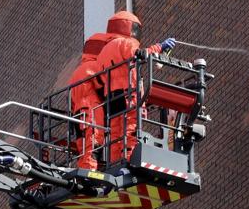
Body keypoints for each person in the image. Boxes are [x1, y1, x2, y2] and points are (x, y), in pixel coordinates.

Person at [95, 11, 176, 164]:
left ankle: (114, 161)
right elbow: (140, 54)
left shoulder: (103, 51)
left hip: (110, 97)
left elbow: (98, 78)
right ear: (129, 28)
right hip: (127, 92)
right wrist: (160, 47)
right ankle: (129, 158)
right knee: (130, 126)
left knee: (115, 131)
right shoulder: (126, 42)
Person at [68, 33, 112, 170]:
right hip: (92, 110)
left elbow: (70, 99)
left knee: (83, 145)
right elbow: (105, 86)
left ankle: (84, 167)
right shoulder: (95, 66)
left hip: (77, 114)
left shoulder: (76, 73)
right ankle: (90, 169)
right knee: (94, 141)